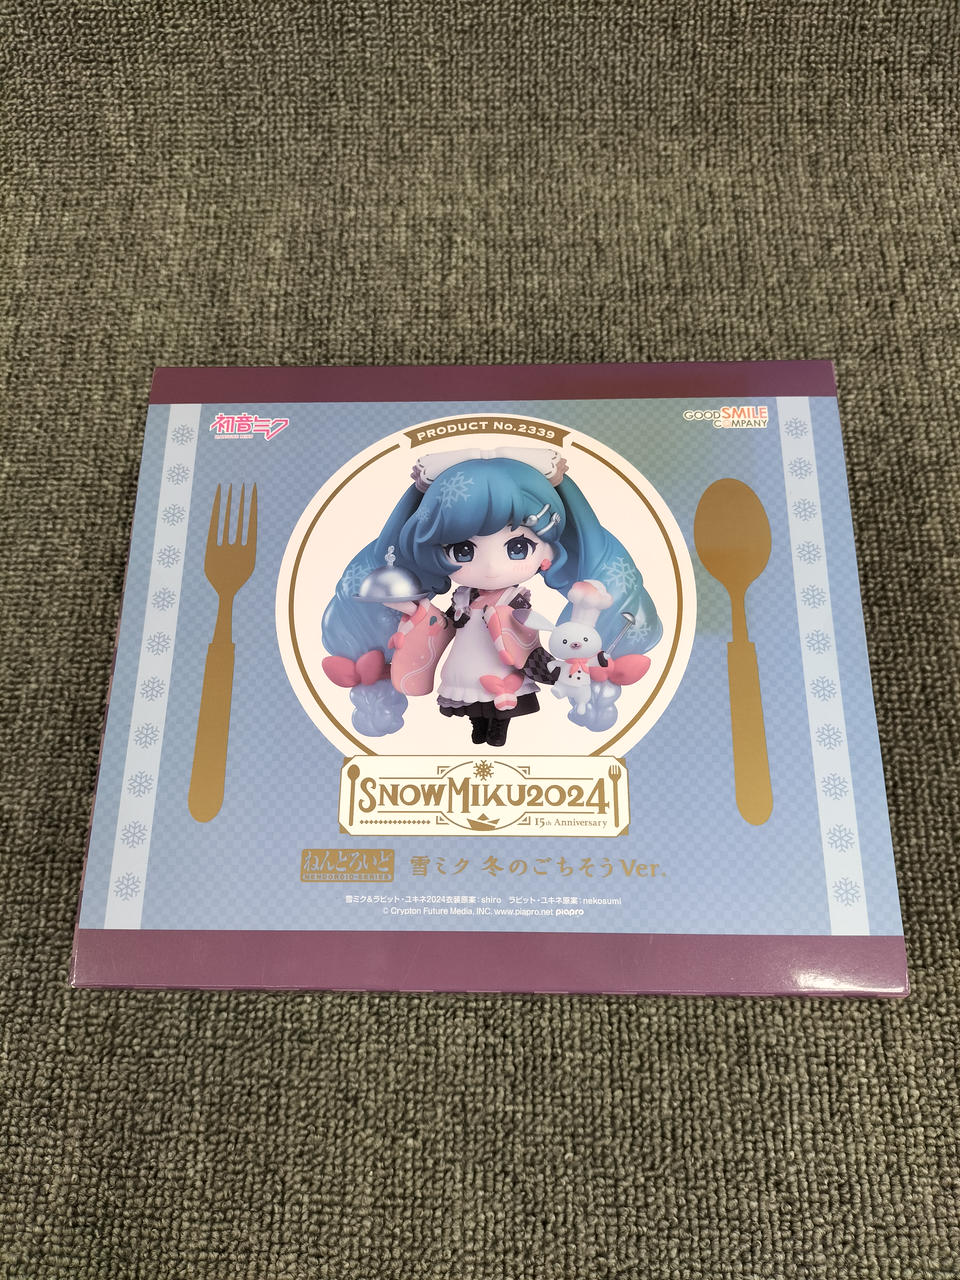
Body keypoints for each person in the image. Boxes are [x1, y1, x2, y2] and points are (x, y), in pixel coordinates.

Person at [321, 447, 660, 743]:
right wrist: (414, 612)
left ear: (547, 553)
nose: (492, 568)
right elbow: (442, 624)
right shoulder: (463, 598)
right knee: (470, 697)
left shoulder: (516, 602)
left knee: (501, 696)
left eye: (517, 548)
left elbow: (525, 636)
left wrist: (558, 660)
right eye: (463, 550)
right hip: (466, 661)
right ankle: (478, 725)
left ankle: (498, 727)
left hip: (502, 664)